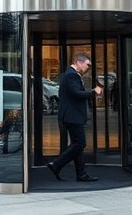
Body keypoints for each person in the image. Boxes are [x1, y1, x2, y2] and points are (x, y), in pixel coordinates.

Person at [46, 52, 103, 182]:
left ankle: (81, 174)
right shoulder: (71, 75)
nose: (89, 67)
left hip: (71, 116)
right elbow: (77, 93)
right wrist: (94, 92)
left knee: (78, 145)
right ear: (79, 62)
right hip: (72, 116)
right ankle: (56, 164)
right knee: (80, 143)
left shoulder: (71, 74)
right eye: (87, 64)